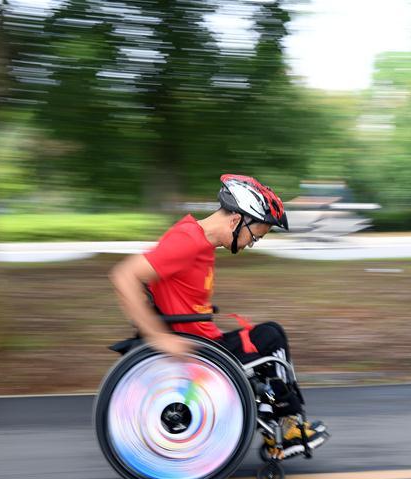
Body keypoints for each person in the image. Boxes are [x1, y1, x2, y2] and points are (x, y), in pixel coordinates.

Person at [110, 174, 327, 457]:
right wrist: (158, 337)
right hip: (201, 348)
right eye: (256, 235)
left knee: (268, 336)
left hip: (203, 339)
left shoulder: (200, 240)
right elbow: (124, 275)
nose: (253, 243)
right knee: (271, 337)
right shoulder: (188, 241)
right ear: (237, 220)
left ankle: (278, 422)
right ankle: (287, 429)